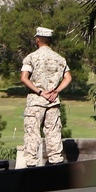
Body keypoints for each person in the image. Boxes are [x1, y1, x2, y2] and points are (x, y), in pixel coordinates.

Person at [19, 26, 72, 168]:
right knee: (53, 133)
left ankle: (31, 165)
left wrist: (40, 92)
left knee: (32, 133)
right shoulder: (59, 59)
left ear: (37, 39)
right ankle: (56, 164)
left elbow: (24, 78)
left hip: (36, 102)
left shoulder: (31, 57)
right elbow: (68, 78)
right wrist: (56, 91)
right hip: (53, 101)